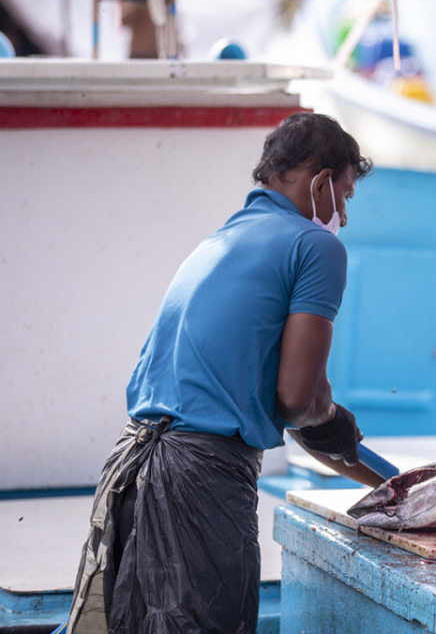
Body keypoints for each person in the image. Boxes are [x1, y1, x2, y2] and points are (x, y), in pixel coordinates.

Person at [66, 112, 373, 633]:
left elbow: (286, 399)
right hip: (199, 480)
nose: (342, 214)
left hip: (129, 469)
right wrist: (334, 420)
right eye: (343, 196)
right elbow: (299, 402)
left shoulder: (224, 238)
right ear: (320, 181)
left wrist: (380, 480)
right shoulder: (316, 247)